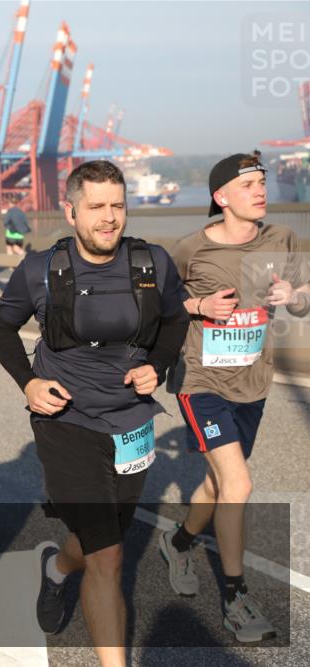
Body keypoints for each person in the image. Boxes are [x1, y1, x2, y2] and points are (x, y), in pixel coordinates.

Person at [0, 160, 189, 667]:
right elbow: (0, 328)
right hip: (67, 423)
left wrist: (158, 366)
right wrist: (29, 382)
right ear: (70, 211)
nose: (109, 218)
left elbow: (176, 317)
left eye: (117, 205)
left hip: (133, 423)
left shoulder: (152, 263)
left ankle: (56, 569)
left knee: (101, 539)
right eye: (96, 206)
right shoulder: (41, 269)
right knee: (110, 556)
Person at [160, 152, 309, 642]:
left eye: (262, 181)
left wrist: (295, 297)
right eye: (248, 184)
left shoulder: (281, 239)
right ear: (221, 197)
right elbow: (157, 304)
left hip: (253, 382)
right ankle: (235, 596)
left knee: (220, 482)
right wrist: (198, 304)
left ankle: (178, 541)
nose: (260, 190)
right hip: (201, 380)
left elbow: (305, 293)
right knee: (239, 484)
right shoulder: (190, 249)